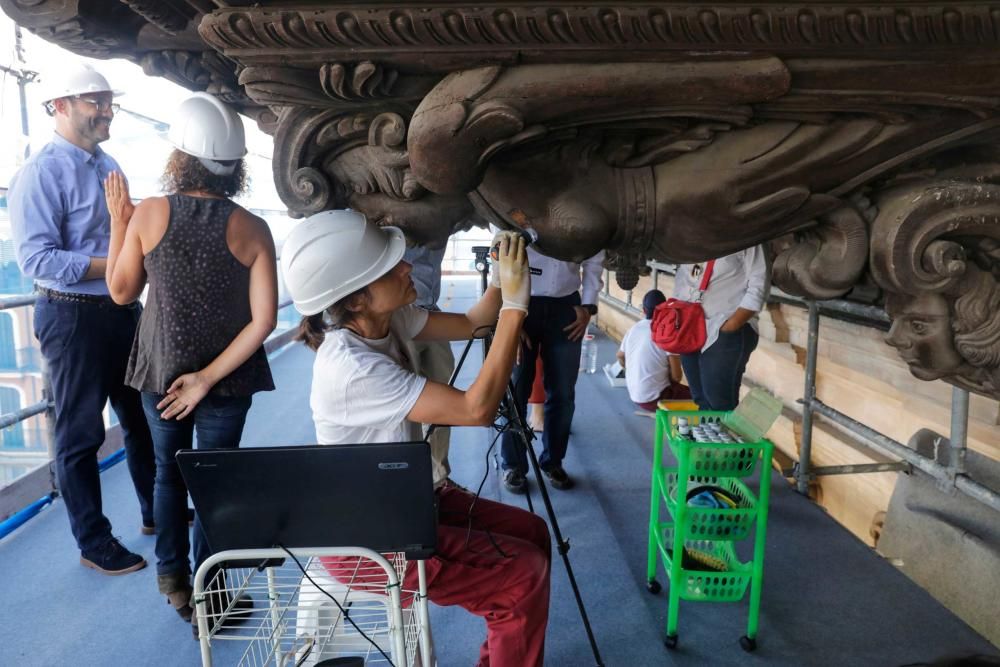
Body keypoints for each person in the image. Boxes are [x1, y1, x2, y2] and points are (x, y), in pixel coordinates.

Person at [283, 212, 551, 667]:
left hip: (406, 501)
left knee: (532, 533)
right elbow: (476, 409)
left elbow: (472, 322)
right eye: (390, 269)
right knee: (520, 576)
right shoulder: (352, 368)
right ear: (357, 299)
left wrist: (502, 280)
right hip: (368, 539)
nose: (407, 267)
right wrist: (516, 308)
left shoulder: (390, 322)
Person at [104, 92, 277, 624]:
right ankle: (213, 594)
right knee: (214, 482)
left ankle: (175, 584)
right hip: (226, 381)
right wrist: (206, 378)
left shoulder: (151, 212)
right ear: (235, 167)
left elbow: (120, 292)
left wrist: (119, 221)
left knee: (167, 475)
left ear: (180, 157)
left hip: (161, 372)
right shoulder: (254, 228)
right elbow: (264, 321)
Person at [8, 63, 155, 575]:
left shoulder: (108, 163)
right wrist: (116, 263)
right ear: (61, 106)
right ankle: (94, 543)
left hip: (121, 310)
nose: (108, 109)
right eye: (96, 101)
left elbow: (126, 233)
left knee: (142, 419)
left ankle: (155, 513)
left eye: (108, 100)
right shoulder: (40, 173)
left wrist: (129, 256)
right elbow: (37, 260)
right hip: (72, 317)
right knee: (80, 435)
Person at [500, 248, 605, 494]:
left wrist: (588, 306)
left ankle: (553, 462)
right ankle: (513, 465)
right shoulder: (518, 210)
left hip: (566, 306)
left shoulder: (585, 211)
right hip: (521, 302)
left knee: (563, 393)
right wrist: (507, 315)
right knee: (516, 390)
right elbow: (501, 254)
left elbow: (594, 255)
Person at [671, 246, 769, 411]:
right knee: (700, 398)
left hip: (724, 330)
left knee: (719, 404)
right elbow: (683, 279)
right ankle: (706, 436)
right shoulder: (694, 237)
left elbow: (760, 281)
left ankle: (721, 436)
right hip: (691, 329)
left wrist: (733, 324)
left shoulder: (748, 237)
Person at [401, 244, 456, 482]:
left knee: (442, 403)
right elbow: (475, 410)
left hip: (430, 311)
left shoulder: (439, 216)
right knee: (402, 405)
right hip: (398, 313)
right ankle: (405, 477)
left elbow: (473, 323)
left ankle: (439, 479)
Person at [617, 289, 691, 411]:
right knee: (700, 398)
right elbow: (677, 377)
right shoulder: (667, 332)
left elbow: (620, 356)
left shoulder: (634, 328)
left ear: (644, 310)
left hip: (635, 395)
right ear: (666, 310)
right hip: (656, 399)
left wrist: (632, 370)